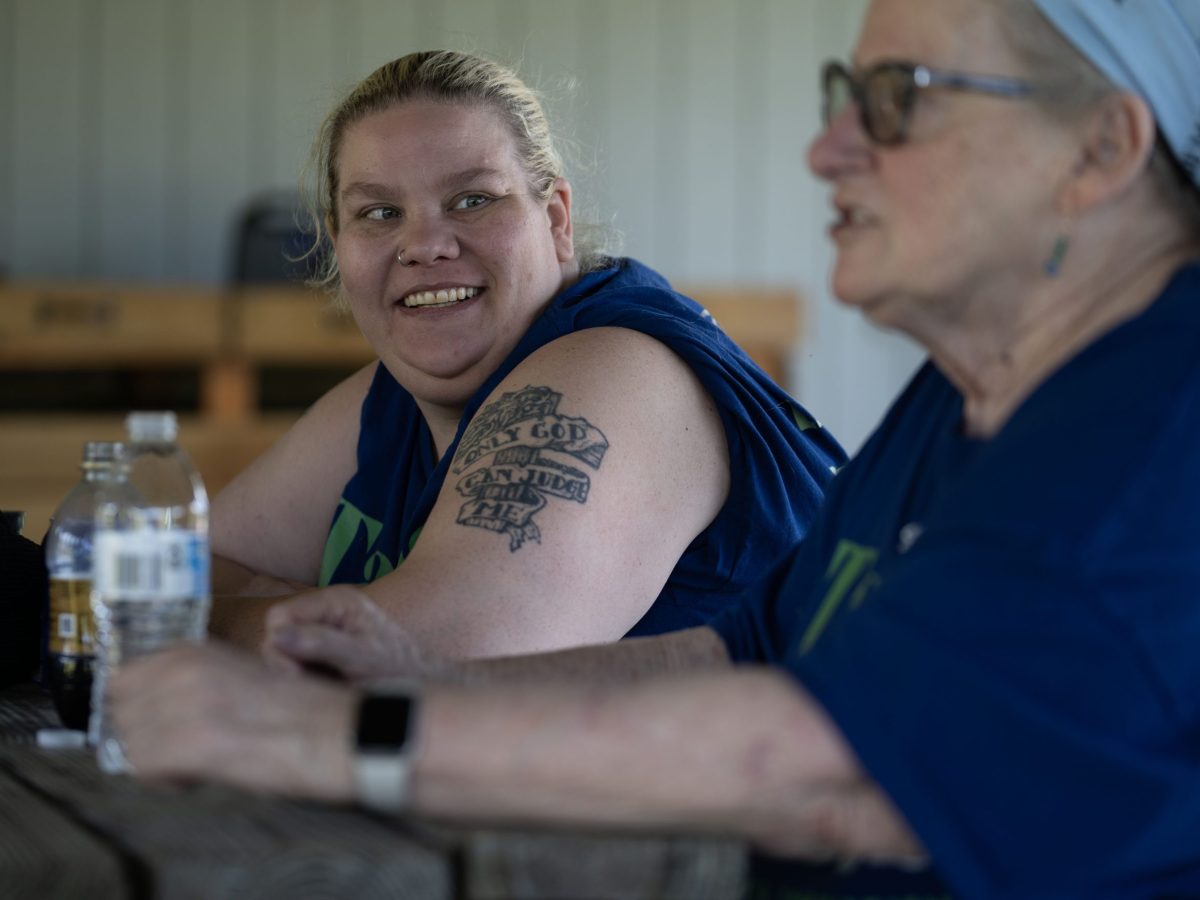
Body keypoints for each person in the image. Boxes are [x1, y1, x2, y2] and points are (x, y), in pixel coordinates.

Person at [112, 1, 1200, 896]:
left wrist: (324, 735)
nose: (828, 147)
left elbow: (844, 774)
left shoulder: (1152, 435)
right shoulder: (960, 398)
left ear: (1102, 147)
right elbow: (740, 654)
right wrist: (429, 682)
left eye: (898, 101)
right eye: (841, 98)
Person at [208, 50, 845, 657]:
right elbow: (188, 561)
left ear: (557, 221)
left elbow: (436, 660)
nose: (424, 244)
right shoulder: (399, 396)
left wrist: (225, 616)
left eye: (472, 199)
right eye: (378, 212)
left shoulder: (616, 371)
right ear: (339, 245)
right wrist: (321, 615)